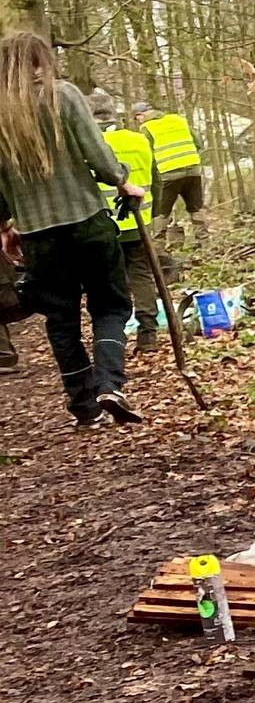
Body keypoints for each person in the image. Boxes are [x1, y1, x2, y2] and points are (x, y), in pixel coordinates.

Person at [0, 33, 142, 428]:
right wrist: (122, 181)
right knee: (110, 306)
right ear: (39, 60)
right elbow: (99, 154)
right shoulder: (62, 95)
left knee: (61, 319)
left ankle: (83, 407)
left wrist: (5, 226)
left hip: (38, 237)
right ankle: (110, 384)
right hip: (87, 223)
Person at [97, 99, 163, 353]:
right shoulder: (139, 139)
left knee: (108, 281)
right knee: (142, 277)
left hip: (102, 225)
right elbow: (156, 179)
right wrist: (154, 215)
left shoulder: (89, 144)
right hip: (139, 221)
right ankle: (148, 335)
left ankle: (113, 338)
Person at [134, 101, 207, 239]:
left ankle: (158, 245)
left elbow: (147, 154)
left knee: (162, 211)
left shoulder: (146, 127)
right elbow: (198, 143)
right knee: (196, 207)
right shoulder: (178, 119)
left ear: (140, 115)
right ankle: (204, 241)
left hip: (169, 174)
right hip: (193, 170)